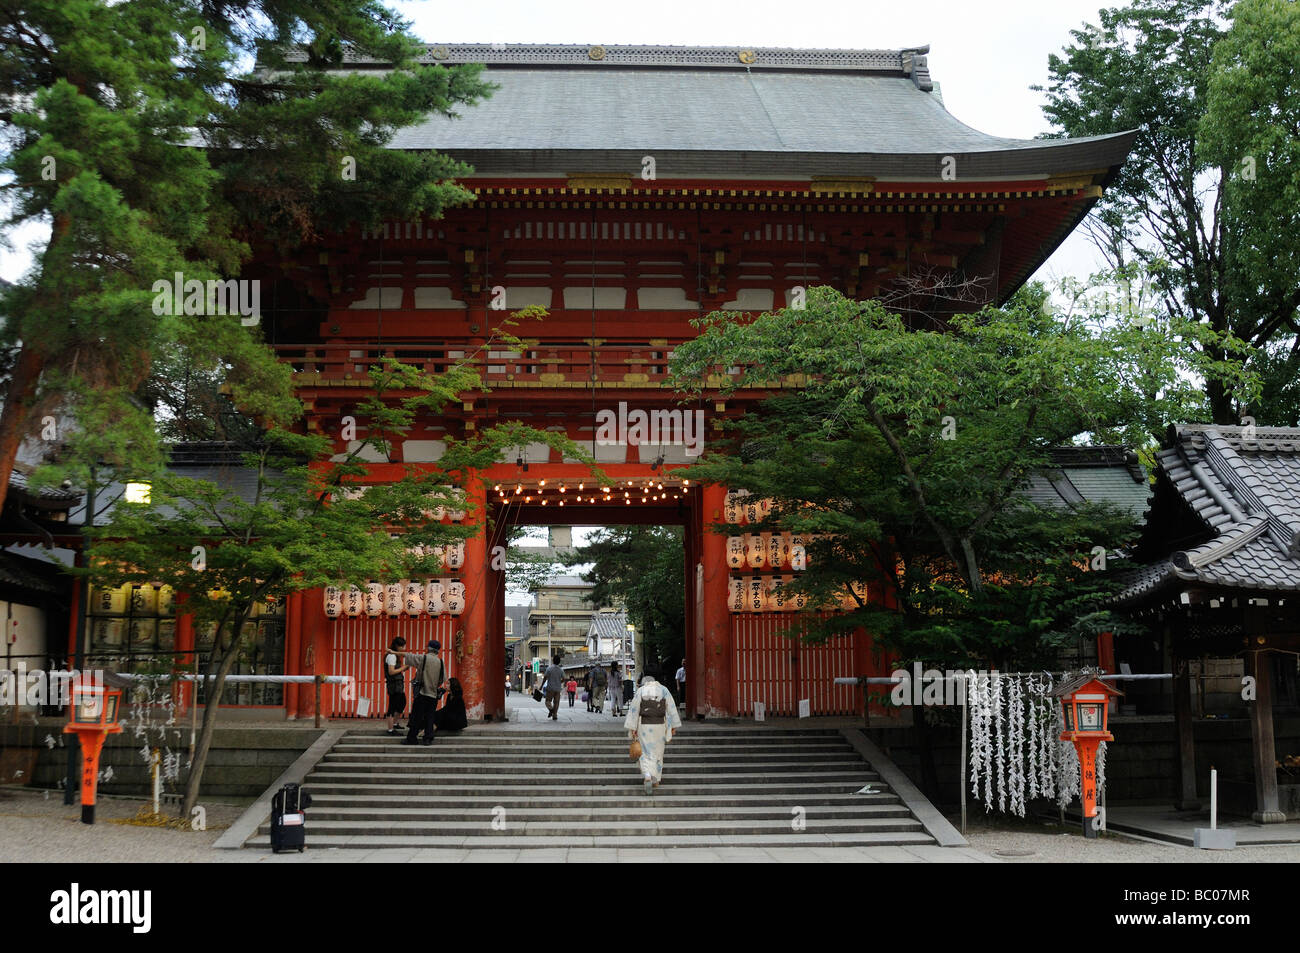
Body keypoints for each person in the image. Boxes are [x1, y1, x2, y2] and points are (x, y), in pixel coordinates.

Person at [625, 668, 681, 794]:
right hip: (660, 726)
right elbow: (671, 709)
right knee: (658, 753)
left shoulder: (641, 691)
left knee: (644, 752)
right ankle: (655, 780)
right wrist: (673, 727)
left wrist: (633, 728)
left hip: (644, 725)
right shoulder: (664, 690)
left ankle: (647, 776)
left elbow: (634, 710)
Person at [401, 640, 446, 745]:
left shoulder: (423, 658)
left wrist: (393, 652)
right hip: (433, 694)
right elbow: (442, 679)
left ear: (429, 648)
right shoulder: (440, 662)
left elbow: (408, 656)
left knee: (416, 716)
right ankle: (428, 738)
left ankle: (412, 738)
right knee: (430, 716)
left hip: (422, 692)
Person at [382, 636, 408, 736]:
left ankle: (395, 723)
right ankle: (390, 729)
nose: (404, 648)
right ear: (397, 646)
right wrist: (403, 668)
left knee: (401, 703)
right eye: (402, 646)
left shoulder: (394, 655)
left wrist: (403, 669)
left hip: (398, 684)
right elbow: (391, 671)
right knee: (392, 706)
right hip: (394, 685)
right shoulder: (391, 656)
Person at [543, 653, 564, 721]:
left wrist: (541, 686)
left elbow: (545, 678)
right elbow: (564, 679)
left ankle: (551, 710)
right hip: (558, 688)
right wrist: (559, 682)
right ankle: (555, 715)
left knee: (547, 701)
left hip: (550, 688)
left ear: (553, 660)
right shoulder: (561, 670)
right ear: (559, 661)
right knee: (556, 702)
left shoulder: (549, 669)